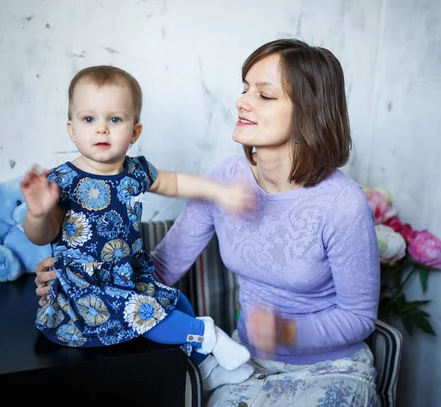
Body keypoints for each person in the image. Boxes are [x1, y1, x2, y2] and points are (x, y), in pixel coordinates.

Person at [35, 39, 380, 405]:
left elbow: (358, 316)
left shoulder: (343, 203)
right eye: (245, 88)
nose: (241, 101)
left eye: (264, 95)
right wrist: (82, 280)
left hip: (331, 370)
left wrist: (285, 332)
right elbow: (162, 268)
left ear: (308, 113)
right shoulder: (225, 179)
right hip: (244, 362)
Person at [22, 65, 256, 376]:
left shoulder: (136, 171)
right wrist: (38, 213)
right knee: (143, 313)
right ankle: (206, 336)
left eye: (114, 119)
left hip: (128, 274)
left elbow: (175, 183)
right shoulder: (63, 180)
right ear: (72, 129)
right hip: (87, 287)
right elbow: (42, 235)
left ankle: (203, 368)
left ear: (134, 132)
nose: (102, 128)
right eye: (89, 119)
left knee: (177, 303)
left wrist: (220, 192)